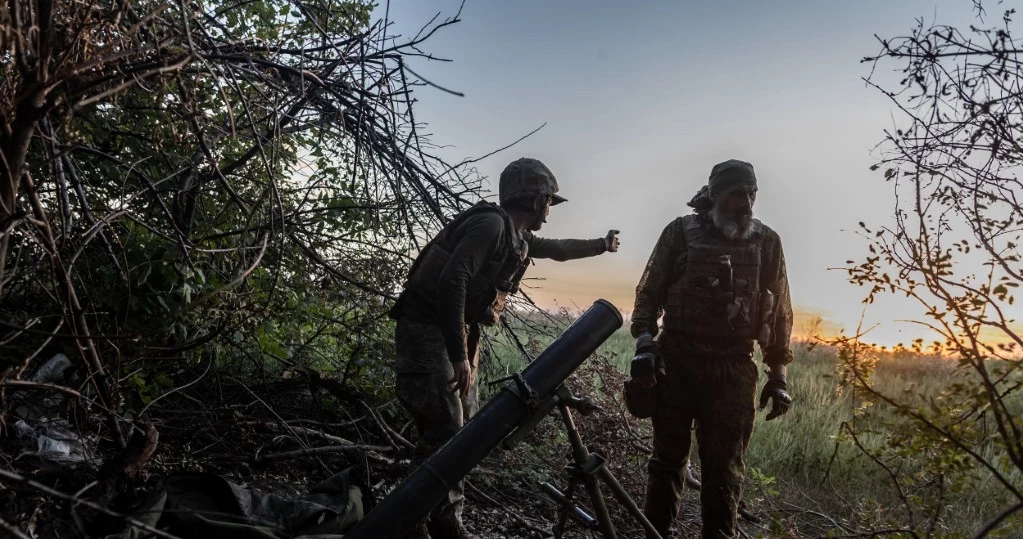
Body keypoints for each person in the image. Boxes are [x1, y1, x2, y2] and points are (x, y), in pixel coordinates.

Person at [388, 157, 620, 539]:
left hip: (456, 334)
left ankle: (445, 522)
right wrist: (460, 355)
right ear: (534, 200)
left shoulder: (518, 235)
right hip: (430, 333)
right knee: (444, 431)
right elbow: (452, 281)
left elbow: (558, 248)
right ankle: (410, 524)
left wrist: (601, 245)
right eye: (549, 201)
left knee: (461, 436)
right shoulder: (491, 225)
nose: (549, 209)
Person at [630, 159, 793, 539]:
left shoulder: (766, 241)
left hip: (734, 368)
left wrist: (778, 375)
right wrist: (644, 344)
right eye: (738, 194)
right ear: (715, 194)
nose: (748, 203)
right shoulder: (680, 233)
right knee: (667, 463)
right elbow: (648, 294)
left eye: (753, 194)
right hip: (676, 362)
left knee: (725, 470)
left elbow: (781, 309)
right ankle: (656, 533)